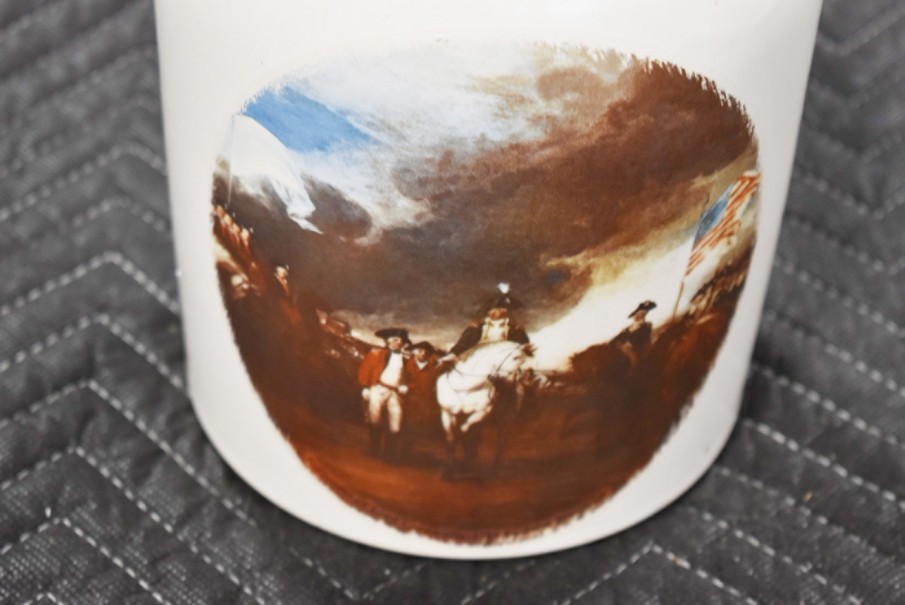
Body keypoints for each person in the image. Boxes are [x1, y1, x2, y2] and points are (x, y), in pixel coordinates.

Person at [357, 328, 410, 459]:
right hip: (378, 388)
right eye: (395, 340)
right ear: (387, 341)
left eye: (401, 341)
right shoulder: (376, 353)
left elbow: (406, 375)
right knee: (374, 418)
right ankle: (374, 450)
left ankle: (390, 454)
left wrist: (404, 385)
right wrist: (365, 387)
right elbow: (365, 369)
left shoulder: (405, 359)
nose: (399, 343)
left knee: (396, 421)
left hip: (395, 392)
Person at [443, 284, 531, 363]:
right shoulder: (476, 328)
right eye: (496, 309)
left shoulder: (515, 329)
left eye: (503, 309)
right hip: (478, 358)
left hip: (504, 360)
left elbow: (525, 347)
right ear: (489, 312)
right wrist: (453, 353)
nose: (501, 311)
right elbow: (463, 343)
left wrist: (524, 350)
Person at [403, 341, 442, 453]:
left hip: (425, 402)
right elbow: (401, 380)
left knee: (418, 424)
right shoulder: (407, 365)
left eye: (425, 352)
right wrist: (408, 388)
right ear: (413, 352)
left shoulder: (433, 370)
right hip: (407, 399)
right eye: (419, 351)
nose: (422, 354)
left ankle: (410, 449)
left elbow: (435, 386)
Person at [611, 300, 656, 365]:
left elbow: (645, 341)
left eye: (642, 313)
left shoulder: (646, 327)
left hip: (635, 352)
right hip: (621, 351)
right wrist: (615, 343)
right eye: (637, 314)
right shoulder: (628, 328)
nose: (637, 315)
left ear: (644, 314)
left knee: (634, 362)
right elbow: (616, 339)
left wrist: (629, 344)